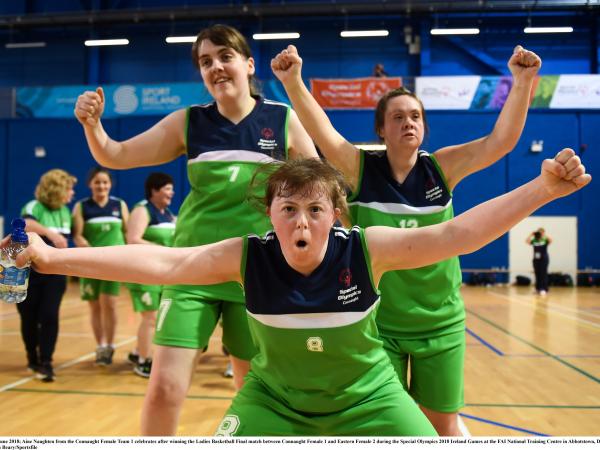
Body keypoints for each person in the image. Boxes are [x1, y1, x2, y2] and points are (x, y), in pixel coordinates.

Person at [8, 153, 591, 435]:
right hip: (273, 403)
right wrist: (55, 258)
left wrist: (542, 187)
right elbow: (165, 261)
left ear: (335, 213)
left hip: (369, 400)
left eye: (315, 208)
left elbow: (456, 233)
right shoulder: (248, 257)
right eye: (289, 209)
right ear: (271, 215)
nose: (302, 222)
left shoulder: (367, 249)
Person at [271, 44, 541, 435]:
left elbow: (500, 142)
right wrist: (293, 81)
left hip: (440, 322)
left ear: (424, 125)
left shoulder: (441, 168)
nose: (408, 123)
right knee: (383, 426)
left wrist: (522, 82)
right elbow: (324, 133)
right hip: (379, 325)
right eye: (397, 117)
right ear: (382, 129)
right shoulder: (360, 168)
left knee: (442, 424)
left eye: (415, 116)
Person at [73, 24, 317, 435]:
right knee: (165, 388)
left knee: (251, 389)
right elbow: (115, 154)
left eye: (225, 57)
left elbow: (319, 186)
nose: (216, 67)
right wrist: (93, 126)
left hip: (256, 274)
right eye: (206, 62)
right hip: (191, 269)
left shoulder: (282, 120)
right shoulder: (189, 123)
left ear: (248, 64)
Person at [18, 169, 77, 382]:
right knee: (29, 317)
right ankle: (32, 358)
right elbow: (26, 224)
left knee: (50, 316)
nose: (72, 193)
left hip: (55, 274)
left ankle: (46, 362)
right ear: (57, 188)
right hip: (28, 272)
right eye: (69, 188)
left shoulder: (65, 212)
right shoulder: (34, 207)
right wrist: (50, 233)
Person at [72, 167, 129, 366]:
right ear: (90, 184)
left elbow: (128, 233)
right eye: (97, 182)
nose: (101, 186)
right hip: (90, 264)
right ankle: (101, 346)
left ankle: (111, 345)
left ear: (110, 184)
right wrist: (88, 249)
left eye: (105, 182)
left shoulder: (119, 205)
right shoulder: (82, 206)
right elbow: (77, 234)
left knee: (110, 304)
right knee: (94, 305)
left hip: (113, 264)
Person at [126, 172, 176, 378]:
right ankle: (144, 361)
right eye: (167, 188)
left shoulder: (168, 214)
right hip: (143, 272)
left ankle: (138, 351)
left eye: (172, 188)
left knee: (158, 318)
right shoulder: (142, 210)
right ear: (154, 190)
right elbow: (133, 239)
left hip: (162, 274)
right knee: (150, 318)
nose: (171, 192)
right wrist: (161, 249)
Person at [526, 228, 552, 296]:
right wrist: (531, 234)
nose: (539, 234)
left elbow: (550, 241)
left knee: (543, 273)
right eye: (539, 232)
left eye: (541, 232)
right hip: (536, 259)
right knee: (537, 273)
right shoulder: (534, 240)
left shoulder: (545, 240)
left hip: (544, 259)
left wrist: (544, 235)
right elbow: (527, 241)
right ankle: (538, 288)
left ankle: (544, 289)